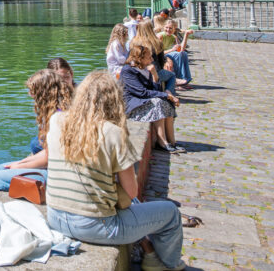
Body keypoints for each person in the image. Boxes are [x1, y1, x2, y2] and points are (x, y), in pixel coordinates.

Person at [46, 71, 185, 271]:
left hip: (55, 217)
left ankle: (149, 252)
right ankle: (168, 265)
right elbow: (131, 191)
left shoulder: (56, 121)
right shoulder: (113, 133)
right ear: (115, 100)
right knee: (171, 213)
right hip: (95, 226)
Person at [0, 69, 73, 223]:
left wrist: (20, 166)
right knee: (2, 167)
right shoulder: (58, 112)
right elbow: (48, 152)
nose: (30, 94)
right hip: (56, 170)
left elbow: (49, 158)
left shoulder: (59, 118)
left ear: (43, 92)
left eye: (32, 90)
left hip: (59, 177)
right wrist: (21, 162)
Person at [121, 43, 182, 152]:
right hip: (132, 105)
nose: (152, 59)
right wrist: (166, 95)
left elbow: (155, 91)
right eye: (149, 57)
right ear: (140, 58)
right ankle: (162, 142)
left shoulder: (145, 68)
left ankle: (172, 141)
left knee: (167, 102)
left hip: (143, 101)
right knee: (159, 103)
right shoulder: (128, 70)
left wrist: (154, 75)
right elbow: (142, 92)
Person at [159, 21, 193, 87]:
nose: (168, 30)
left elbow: (181, 49)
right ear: (163, 27)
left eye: (170, 28)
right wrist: (172, 50)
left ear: (174, 29)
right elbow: (158, 52)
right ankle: (181, 79)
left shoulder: (173, 37)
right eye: (166, 27)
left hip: (170, 54)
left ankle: (186, 79)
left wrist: (186, 35)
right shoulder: (160, 36)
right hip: (162, 56)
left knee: (184, 53)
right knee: (178, 55)